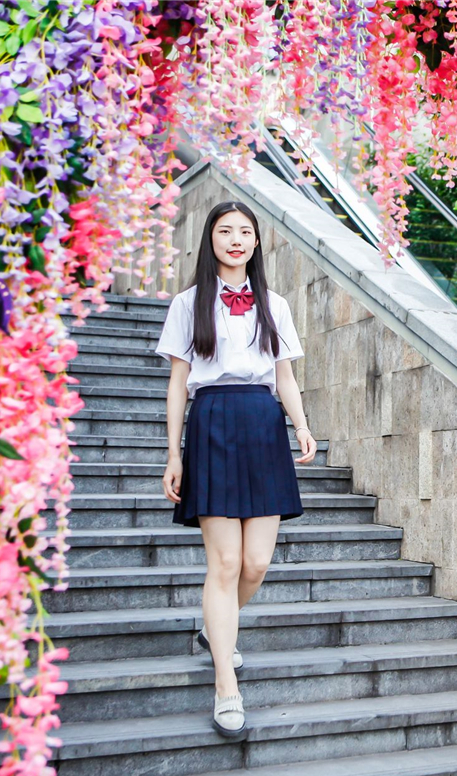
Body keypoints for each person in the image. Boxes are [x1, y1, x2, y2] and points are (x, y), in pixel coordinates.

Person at [154, 200, 317, 738]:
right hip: (213, 422)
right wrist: (174, 452)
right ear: (211, 240)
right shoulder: (187, 303)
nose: (236, 239)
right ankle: (226, 682)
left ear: (255, 242)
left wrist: (301, 425)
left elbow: (284, 376)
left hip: (262, 422)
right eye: (225, 231)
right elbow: (179, 382)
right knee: (224, 564)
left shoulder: (275, 303)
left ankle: (214, 627)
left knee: (257, 563)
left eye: (245, 231)